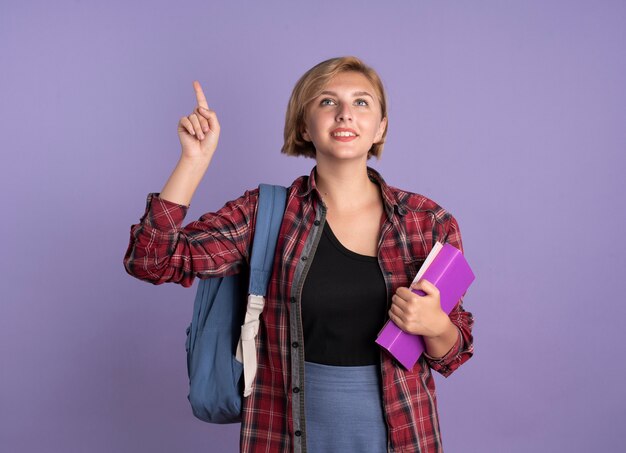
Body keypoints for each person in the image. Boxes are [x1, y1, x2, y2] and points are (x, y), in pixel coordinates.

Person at [123, 56, 474, 453]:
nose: (345, 115)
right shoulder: (266, 214)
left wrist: (436, 325)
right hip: (286, 433)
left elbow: (452, 353)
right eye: (327, 102)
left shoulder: (427, 222)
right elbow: (151, 260)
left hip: (403, 434)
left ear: (381, 127)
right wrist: (192, 163)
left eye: (361, 103)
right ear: (304, 125)